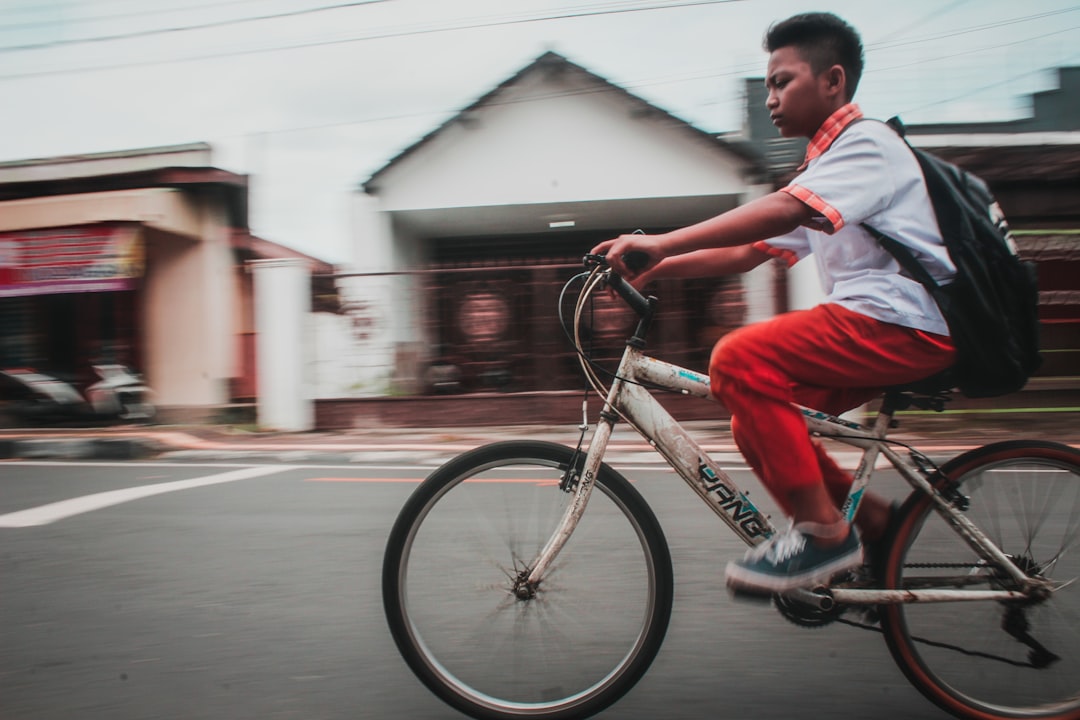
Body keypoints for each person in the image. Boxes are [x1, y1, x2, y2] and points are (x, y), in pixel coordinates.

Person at [591, 12, 957, 595]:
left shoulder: (867, 146)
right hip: (878, 327)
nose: (770, 98)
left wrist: (660, 241)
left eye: (781, 82)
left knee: (736, 360)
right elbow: (746, 250)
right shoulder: (826, 166)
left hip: (903, 325)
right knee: (752, 416)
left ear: (832, 81)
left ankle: (822, 534)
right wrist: (654, 263)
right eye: (767, 85)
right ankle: (874, 526)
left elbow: (784, 210)